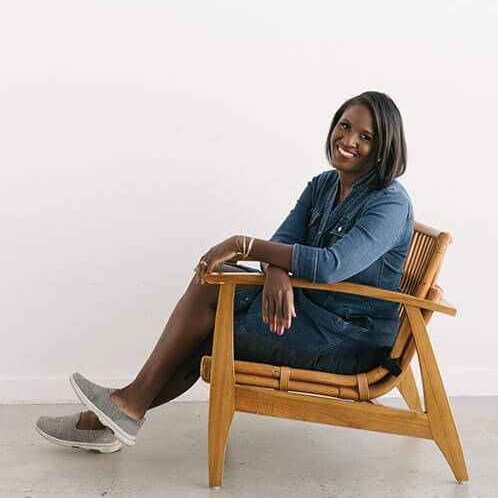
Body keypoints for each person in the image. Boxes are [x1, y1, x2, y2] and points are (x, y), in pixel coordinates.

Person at [35, 91, 413, 453]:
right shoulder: (324, 185)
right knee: (213, 282)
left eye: (366, 137)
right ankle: (122, 410)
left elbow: (330, 266)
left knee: (207, 323)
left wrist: (243, 243)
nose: (348, 140)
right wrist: (276, 269)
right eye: (344, 126)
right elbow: (282, 241)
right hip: (305, 311)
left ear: (384, 149)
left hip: (347, 340)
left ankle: (115, 413)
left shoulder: (390, 203)